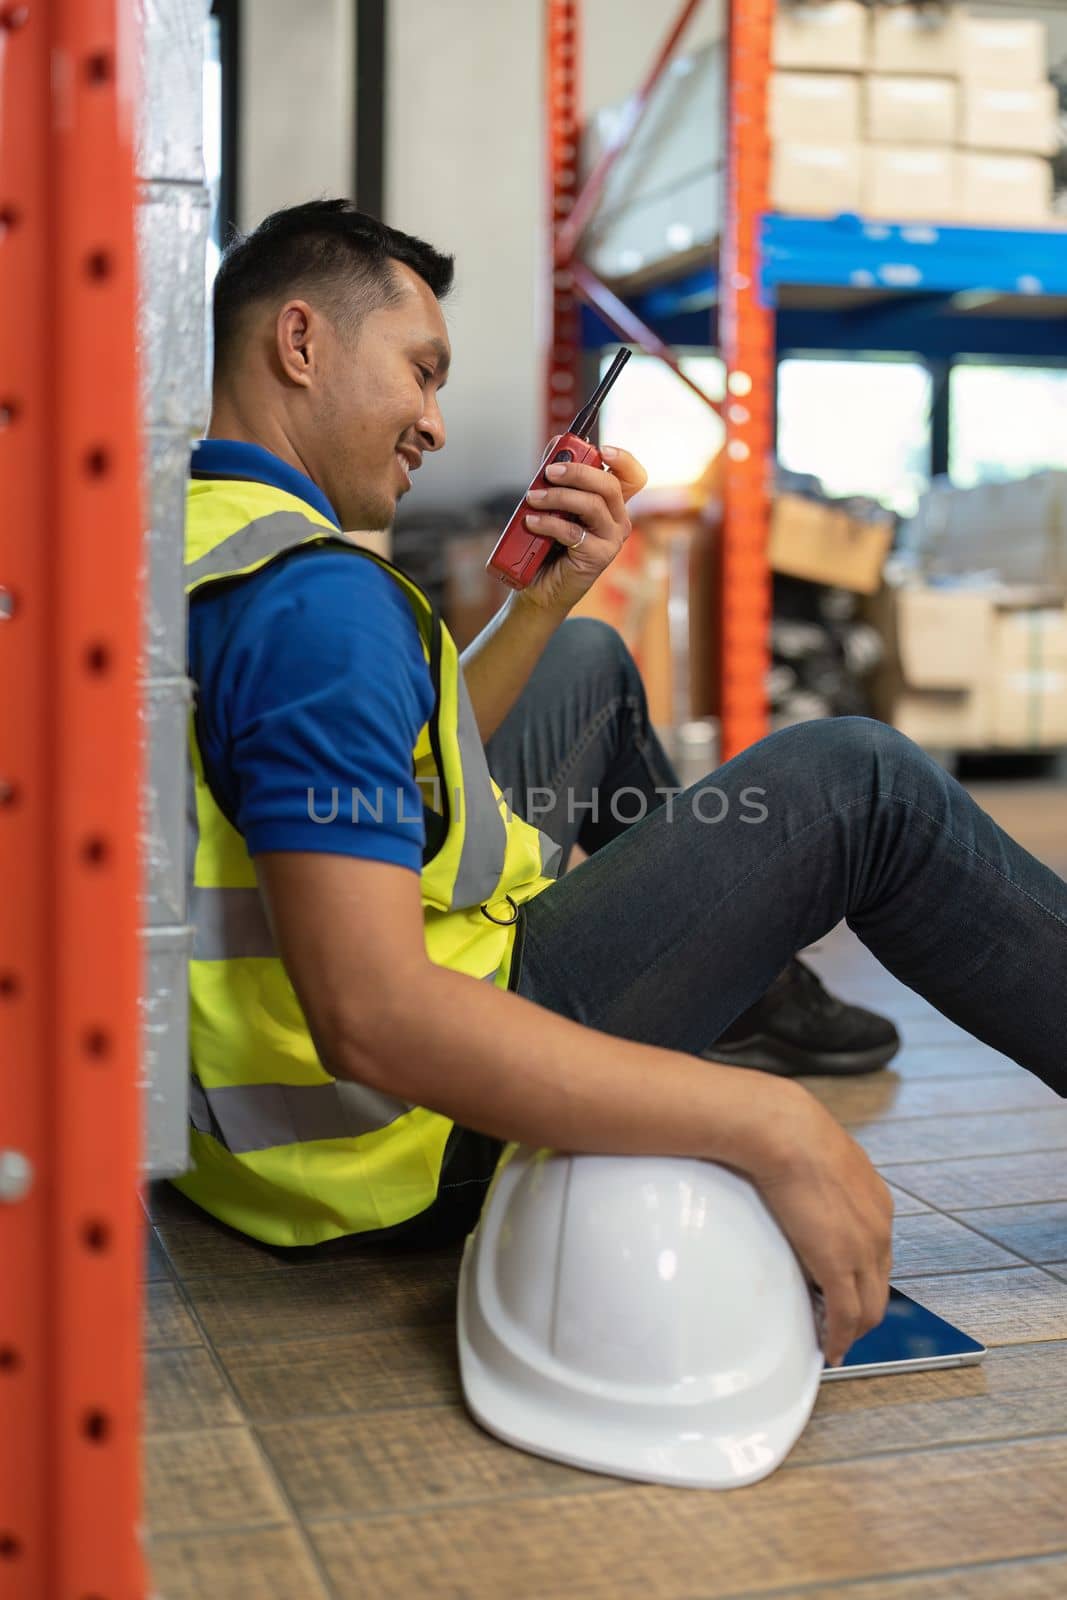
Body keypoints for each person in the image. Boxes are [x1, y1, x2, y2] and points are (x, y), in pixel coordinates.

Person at [178, 199, 1067, 1370]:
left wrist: (540, 601)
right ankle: (738, 990)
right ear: (299, 343)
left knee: (584, 657)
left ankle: (740, 979)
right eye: (421, 371)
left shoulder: (189, 536)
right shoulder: (316, 600)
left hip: (254, 1140)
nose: (435, 424)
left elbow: (402, 759)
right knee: (860, 781)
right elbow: (375, 1015)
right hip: (399, 1131)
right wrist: (765, 1123)